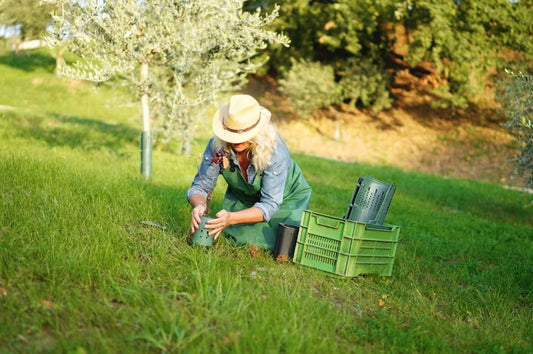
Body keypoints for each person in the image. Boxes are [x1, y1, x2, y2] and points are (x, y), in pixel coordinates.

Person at [187, 94, 312, 250]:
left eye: (242, 135)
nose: (236, 141)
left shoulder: (274, 150)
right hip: (245, 199)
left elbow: (270, 204)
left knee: (282, 246)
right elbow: (200, 186)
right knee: (236, 240)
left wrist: (231, 218)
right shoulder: (217, 146)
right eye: (231, 134)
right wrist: (199, 205)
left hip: (285, 201)